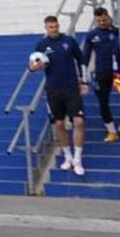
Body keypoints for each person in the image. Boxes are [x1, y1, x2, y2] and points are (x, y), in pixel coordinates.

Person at [29, 15, 89, 176]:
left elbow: (81, 60)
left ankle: (77, 158)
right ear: (46, 28)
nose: (54, 29)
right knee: (59, 124)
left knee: (79, 121)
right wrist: (37, 66)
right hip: (53, 90)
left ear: (58, 26)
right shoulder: (42, 45)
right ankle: (67, 156)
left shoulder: (69, 41)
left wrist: (84, 82)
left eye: (56, 26)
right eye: (50, 27)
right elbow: (32, 66)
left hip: (71, 88)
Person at [83, 7, 120, 142]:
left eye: (104, 19)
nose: (102, 22)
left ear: (109, 17)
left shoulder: (118, 32)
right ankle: (111, 131)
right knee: (103, 102)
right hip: (102, 75)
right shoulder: (92, 35)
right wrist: (84, 78)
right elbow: (85, 56)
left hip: (118, 75)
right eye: (98, 20)